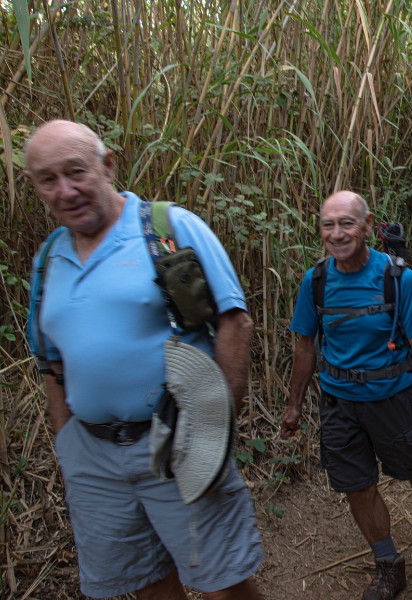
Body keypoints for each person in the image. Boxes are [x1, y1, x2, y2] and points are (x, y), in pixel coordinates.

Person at [24, 120, 263, 599]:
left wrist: (215, 428)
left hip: (178, 440)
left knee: (223, 583)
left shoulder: (165, 228)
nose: (65, 190)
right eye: (48, 179)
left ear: (107, 165)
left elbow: (234, 321)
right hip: (92, 457)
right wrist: (67, 440)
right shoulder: (50, 257)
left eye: (76, 172)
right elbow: (51, 362)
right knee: (145, 583)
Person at [280, 191, 412, 600]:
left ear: (368, 225)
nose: (337, 234)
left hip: (394, 398)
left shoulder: (397, 279)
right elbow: (305, 346)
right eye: (328, 225)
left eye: (347, 224)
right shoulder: (315, 281)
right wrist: (294, 405)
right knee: (357, 486)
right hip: (339, 403)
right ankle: (388, 564)